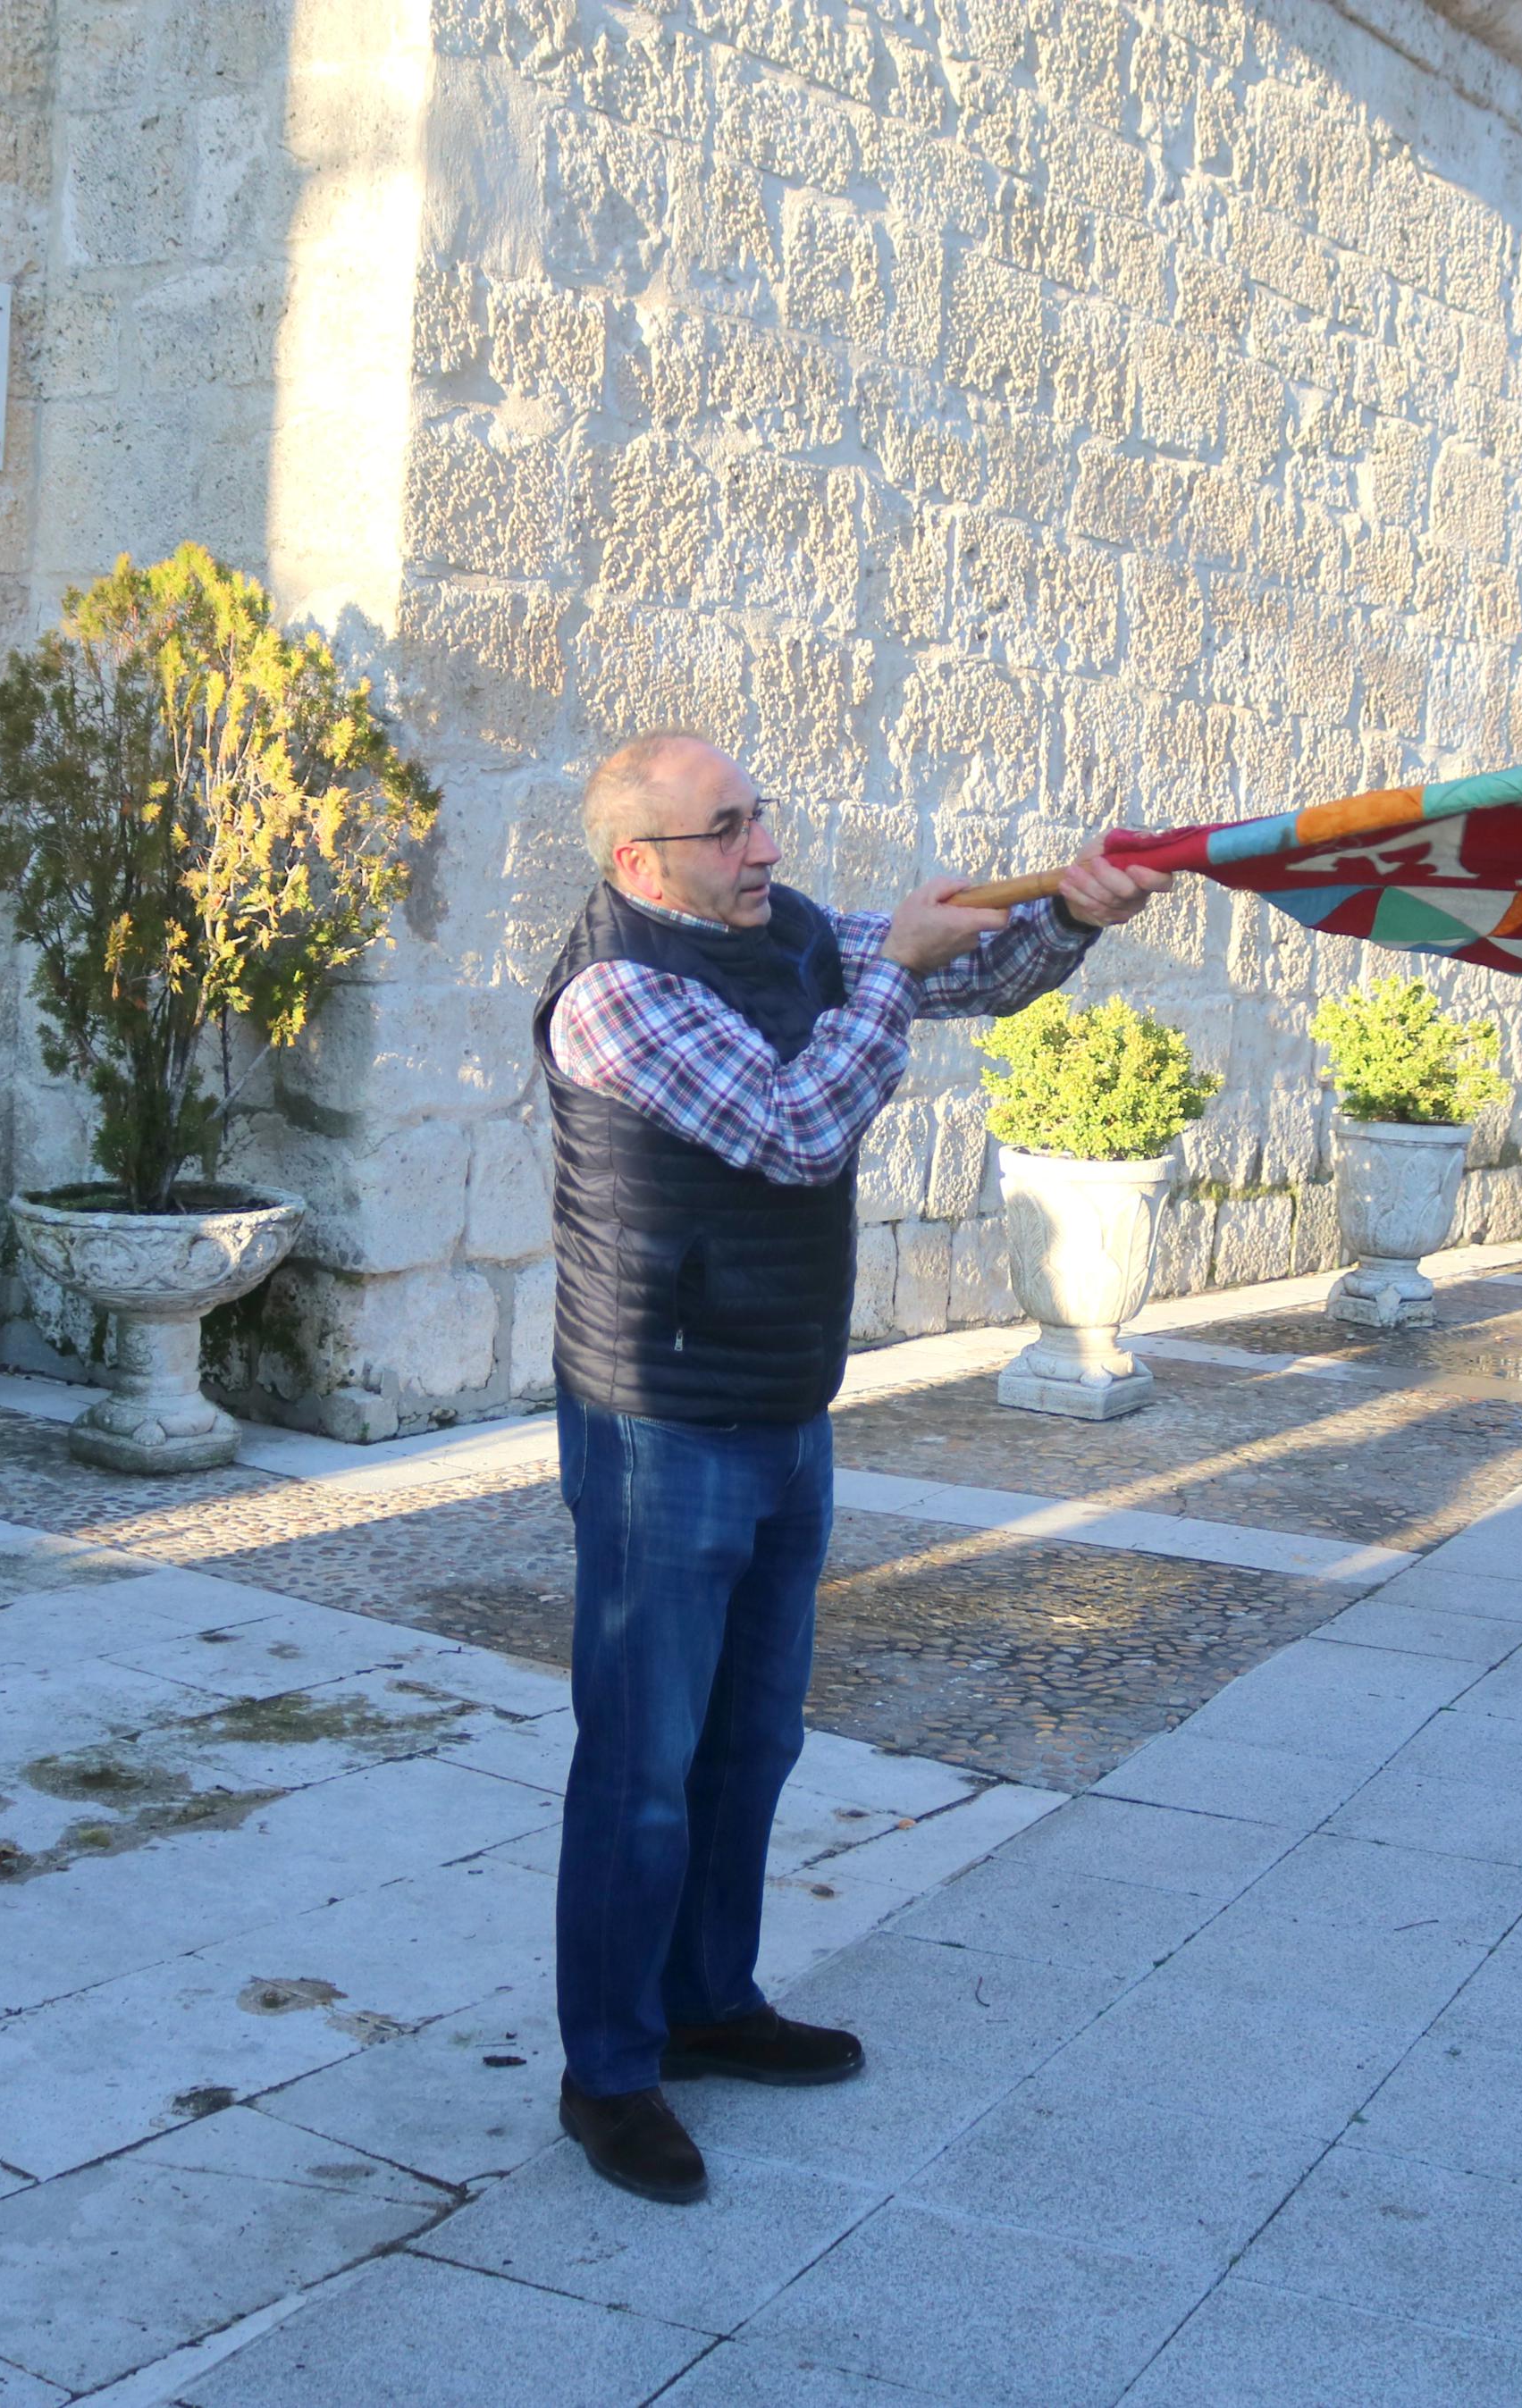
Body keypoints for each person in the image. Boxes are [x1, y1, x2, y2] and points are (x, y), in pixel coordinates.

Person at [534, 732, 1170, 2203]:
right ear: (641, 863)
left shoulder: (792, 929)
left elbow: (977, 969)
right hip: (658, 1422)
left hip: (779, 1404)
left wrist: (1072, 908)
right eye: (726, 831)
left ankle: (705, 2002)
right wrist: (893, 971)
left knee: (750, 1744)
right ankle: (608, 2073)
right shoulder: (615, 994)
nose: (764, 850)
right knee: (642, 1768)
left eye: (760, 818)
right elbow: (800, 1129)